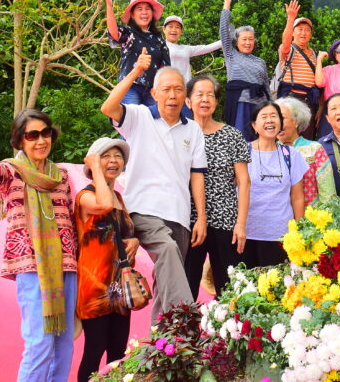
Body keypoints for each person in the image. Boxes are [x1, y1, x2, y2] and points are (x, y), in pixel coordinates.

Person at [0, 81, 77, 382]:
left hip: (67, 267)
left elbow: (72, 219)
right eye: (32, 135)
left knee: (64, 345)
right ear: (20, 141)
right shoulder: (12, 173)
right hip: (32, 267)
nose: (41, 140)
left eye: (46, 133)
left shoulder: (61, 176)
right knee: (40, 345)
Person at [100, 57, 207, 322]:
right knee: (168, 251)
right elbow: (108, 107)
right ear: (154, 93)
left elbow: (197, 176)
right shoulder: (139, 116)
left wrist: (201, 217)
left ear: (186, 95)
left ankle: (163, 344)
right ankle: (188, 318)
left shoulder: (193, 129)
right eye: (167, 89)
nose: (173, 95)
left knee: (166, 278)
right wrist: (136, 70)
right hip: (143, 209)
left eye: (179, 89)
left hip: (179, 214)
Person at [75, 138, 140, 382]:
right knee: (95, 349)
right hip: (95, 287)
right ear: (93, 162)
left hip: (119, 288)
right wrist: (96, 170)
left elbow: (125, 235)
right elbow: (102, 206)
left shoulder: (120, 199)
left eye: (118, 156)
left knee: (118, 352)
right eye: (105, 156)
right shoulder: (85, 196)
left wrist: (135, 241)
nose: (114, 160)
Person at [180, 74, 250, 298]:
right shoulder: (180, 134)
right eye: (199, 94)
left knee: (229, 288)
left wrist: (240, 224)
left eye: (210, 94)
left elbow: (244, 182)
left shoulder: (232, 135)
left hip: (225, 218)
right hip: (188, 220)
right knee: (185, 286)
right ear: (188, 101)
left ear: (217, 101)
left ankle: (229, 332)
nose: (205, 99)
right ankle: (183, 332)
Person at [243, 102, 308, 268]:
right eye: (264, 117)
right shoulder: (243, 152)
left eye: (274, 116)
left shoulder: (291, 155)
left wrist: (297, 232)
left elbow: (297, 197)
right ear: (254, 125)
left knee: (276, 288)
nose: (270, 120)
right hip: (247, 232)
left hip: (280, 235)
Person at [102, 0, 170, 118]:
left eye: (147, 9)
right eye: (139, 9)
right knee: (131, 121)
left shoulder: (159, 39)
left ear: (152, 13)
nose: (144, 12)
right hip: (130, 87)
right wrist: (109, 6)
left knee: (154, 122)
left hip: (152, 90)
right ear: (132, 15)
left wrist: (164, 91)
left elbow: (165, 68)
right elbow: (114, 33)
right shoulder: (129, 33)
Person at [220, 0, 270, 141]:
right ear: (237, 41)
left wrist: (270, 107)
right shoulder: (231, 54)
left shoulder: (260, 62)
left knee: (260, 141)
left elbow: (266, 86)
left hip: (260, 106)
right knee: (240, 141)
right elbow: (223, 29)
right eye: (244, 39)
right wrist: (227, 3)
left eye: (251, 39)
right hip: (240, 103)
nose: (248, 42)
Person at [276, 96, 337, 205]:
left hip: (311, 218)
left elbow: (328, 193)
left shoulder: (314, 149)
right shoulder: (269, 151)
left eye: (282, 118)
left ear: (296, 122)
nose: (277, 123)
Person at [275, 0, 321, 137]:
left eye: (307, 30)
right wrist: (290, 18)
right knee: (288, 134)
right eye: (300, 29)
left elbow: (318, 82)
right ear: (293, 32)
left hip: (309, 100)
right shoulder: (289, 50)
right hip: (291, 98)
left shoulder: (313, 53)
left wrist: (321, 107)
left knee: (307, 136)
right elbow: (285, 41)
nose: (303, 33)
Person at [161, 14, 222, 117]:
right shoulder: (158, 46)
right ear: (164, 29)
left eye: (177, 27)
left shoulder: (186, 49)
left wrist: (227, 38)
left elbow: (207, 48)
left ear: (181, 31)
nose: (174, 30)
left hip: (184, 93)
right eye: (170, 27)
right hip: (166, 92)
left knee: (186, 123)